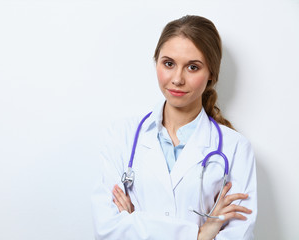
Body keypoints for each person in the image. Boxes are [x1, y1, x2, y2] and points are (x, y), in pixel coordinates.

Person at [91, 15, 257, 240]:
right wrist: (199, 235)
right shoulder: (121, 136)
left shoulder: (236, 148)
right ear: (156, 62)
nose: (177, 79)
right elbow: (108, 230)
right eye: (168, 63)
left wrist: (135, 221)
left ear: (211, 74)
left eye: (193, 67)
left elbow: (239, 236)